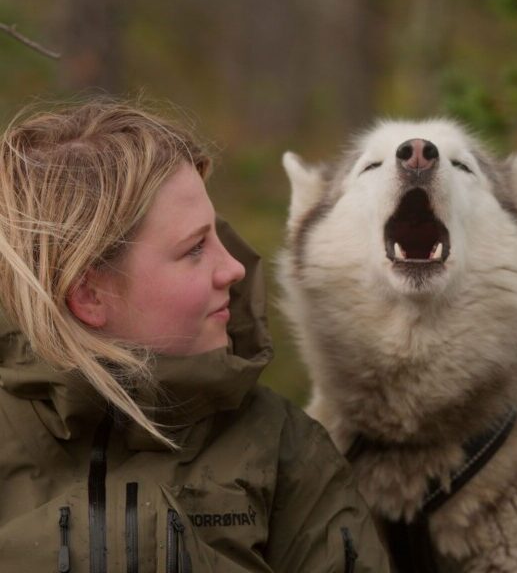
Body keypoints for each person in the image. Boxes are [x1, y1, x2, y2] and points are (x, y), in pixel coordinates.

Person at [0, 99, 390, 572]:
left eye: (216, 237)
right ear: (89, 295)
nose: (233, 269)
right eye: (194, 249)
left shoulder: (286, 450)